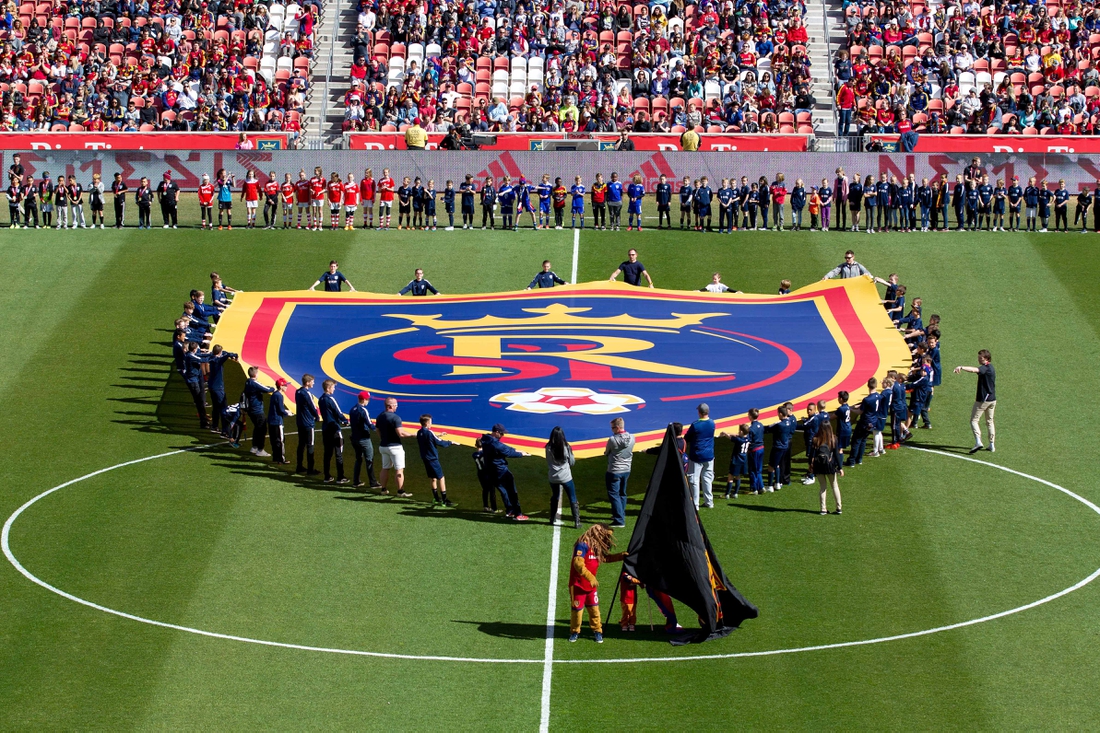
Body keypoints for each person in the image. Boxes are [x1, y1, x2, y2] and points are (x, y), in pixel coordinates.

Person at [568, 523, 625, 643]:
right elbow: (578, 563)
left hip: (591, 586)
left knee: (595, 610)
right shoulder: (583, 544)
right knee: (577, 611)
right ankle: (574, 631)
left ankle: (597, 631)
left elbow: (604, 558)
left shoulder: (596, 546)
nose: (607, 539)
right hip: (578, 585)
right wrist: (590, 576)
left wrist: (619, 557)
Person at [480, 423, 531, 520]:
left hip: (491, 471)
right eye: (502, 434)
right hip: (501, 470)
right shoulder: (495, 444)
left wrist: (515, 450)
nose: (503, 436)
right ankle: (518, 514)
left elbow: (504, 448)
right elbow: (507, 451)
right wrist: (521, 454)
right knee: (512, 491)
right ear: (497, 432)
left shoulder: (486, 439)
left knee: (503, 491)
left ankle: (510, 510)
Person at [955, 349, 996, 454]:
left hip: (983, 400)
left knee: (974, 420)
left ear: (986, 359)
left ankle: (978, 441)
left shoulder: (985, 368)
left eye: (980, 358)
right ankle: (991, 444)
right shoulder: (991, 368)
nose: (978, 360)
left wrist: (962, 367)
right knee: (989, 422)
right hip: (992, 400)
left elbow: (975, 370)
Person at [376, 397, 416, 497]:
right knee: (399, 470)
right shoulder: (395, 418)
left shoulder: (380, 416)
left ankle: (383, 489)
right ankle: (400, 491)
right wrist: (413, 435)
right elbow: (401, 433)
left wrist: (383, 438)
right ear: (390, 406)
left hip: (383, 446)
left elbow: (377, 430)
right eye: (395, 405)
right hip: (395, 447)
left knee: (385, 468)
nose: (396, 407)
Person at [546, 426, 580, 528]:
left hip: (553, 477)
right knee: (572, 497)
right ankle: (577, 521)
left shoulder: (548, 448)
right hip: (566, 477)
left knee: (555, 496)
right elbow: (572, 462)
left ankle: (552, 518)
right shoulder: (566, 447)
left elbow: (548, 461)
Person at [417, 414, 455, 505]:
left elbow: (430, 439)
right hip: (432, 458)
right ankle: (445, 500)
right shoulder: (430, 432)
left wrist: (439, 435)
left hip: (425, 458)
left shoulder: (419, 432)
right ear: (427, 423)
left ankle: (436, 498)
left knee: (432, 478)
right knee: (441, 478)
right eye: (430, 421)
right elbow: (439, 442)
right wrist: (451, 442)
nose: (431, 423)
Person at [604, 417, 634, 528]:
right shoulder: (632, 437)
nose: (611, 430)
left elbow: (607, 452)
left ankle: (619, 519)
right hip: (626, 469)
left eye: (612, 428)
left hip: (614, 470)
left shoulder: (612, 440)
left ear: (617, 428)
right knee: (622, 493)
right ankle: (621, 513)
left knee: (614, 494)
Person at [318, 378, 349, 483]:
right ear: (328, 388)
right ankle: (340, 477)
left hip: (325, 428)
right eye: (333, 387)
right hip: (334, 429)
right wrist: (345, 421)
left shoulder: (320, 399)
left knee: (327, 453)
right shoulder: (331, 399)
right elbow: (338, 412)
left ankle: (327, 476)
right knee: (338, 453)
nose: (334, 389)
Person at [685, 403, 716, 508]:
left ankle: (695, 503)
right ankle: (709, 502)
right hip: (709, 455)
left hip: (697, 455)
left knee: (694, 480)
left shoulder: (696, 425)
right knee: (707, 479)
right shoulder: (712, 423)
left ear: (700, 412)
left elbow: (687, 438)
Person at [349, 390, 381, 488]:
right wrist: (377, 429)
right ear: (363, 399)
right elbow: (369, 423)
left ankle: (356, 481)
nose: (368, 401)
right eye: (367, 399)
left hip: (354, 437)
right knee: (369, 460)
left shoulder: (352, 409)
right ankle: (373, 482)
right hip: (363, 439)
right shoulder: (363, 410)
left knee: (358, 459)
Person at [812, 420, 843, 515]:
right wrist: (840, 467)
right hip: (830, 465)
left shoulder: (816, 439)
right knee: (834, 486)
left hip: (818, 465)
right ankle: (839, 508)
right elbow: (837, 455)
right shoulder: (833, 439)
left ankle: (823, 509)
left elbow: (811, 454)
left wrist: (810, 465)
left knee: (822, 487)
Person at [243, 366, 275, 456]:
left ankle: (254, 447)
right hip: (257, 410)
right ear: (256, 374)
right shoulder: (254, 383)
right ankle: (260, 449)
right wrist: (273, 388)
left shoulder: (248, 382)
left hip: (251, 409)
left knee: (257, 428)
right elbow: (267, 389)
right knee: (262, 429)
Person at [206, 345, 237, 435]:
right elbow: (225, 356)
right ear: (219, 353)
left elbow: (224, 354)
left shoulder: (212, 357)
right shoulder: (218, 361)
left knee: (215, 407)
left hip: (212, 386)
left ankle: (214, 426)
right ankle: (225, 430)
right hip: (218, 388)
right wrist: (232, 355)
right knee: (224, 409)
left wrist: (230, 354)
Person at [295, 373, 321, 474]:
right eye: (312, 381)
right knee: (310, 445)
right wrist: (317, 416)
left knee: (301, 444)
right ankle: (310, 469)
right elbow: (312, 406)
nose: (313, 383)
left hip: (300, 421)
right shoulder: (307, 394)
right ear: (307, 382)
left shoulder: (298, 392)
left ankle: (299, 466)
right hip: (308, 423)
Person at [182, 341, 211, 429]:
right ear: (194, 349)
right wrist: (214, 356)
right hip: (193, 382)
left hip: (194, 380)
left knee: (200, 401)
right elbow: (202, 360)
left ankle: (204, 419)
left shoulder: (189, 355)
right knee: (199, 402)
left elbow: (201, 356)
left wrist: (208, 353)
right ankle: (203, 422)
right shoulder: (191, 356)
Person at [822, 250, 889, 285]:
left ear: (853, 257)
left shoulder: (858, 266)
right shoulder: (843, 266)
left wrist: (867, 275)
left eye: (849, 258)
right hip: (844, 287)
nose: (847, 259)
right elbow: (834, 272)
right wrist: (827, 276)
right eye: (846, 258)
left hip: (855, 287)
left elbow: (869, 274)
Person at [267, 379, 291, 464]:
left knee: (274, 440)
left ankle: (275, 457)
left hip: (271, 421)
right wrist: (287, 413)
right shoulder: (279, 396)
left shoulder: (275, 394)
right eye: (285, 385)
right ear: (281, 386)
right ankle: (281, 458)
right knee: (280, 440)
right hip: (277, 421)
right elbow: (280, 410)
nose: (287, 387)